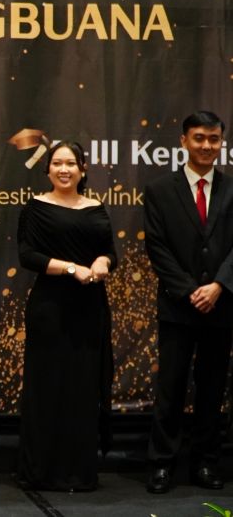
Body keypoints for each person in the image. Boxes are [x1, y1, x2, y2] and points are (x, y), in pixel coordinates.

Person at [16, 141, 116, 491]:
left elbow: (109, 252)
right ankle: (41, 472)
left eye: (71, 163)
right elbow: (27, 255)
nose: (64, 169)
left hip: (90, 308)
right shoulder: (36, 207)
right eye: (57, 163)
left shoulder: (96, 207)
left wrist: (102, 262)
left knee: (83, 389)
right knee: (48, 387)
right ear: (47, 170)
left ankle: (80, 472)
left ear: (82, 169)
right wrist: (72, 268)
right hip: (50, 309)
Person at [144, 111, 233, 494]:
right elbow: (156, 247)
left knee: (212, 390)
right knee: (171, 388)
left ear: (221, 143)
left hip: (222, 305)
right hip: (178, 307)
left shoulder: (232, 189)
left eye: (214, 139)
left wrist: (219, 286)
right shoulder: (160, 190)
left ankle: (206, 462)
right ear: (183, 141)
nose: (206, 146)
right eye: (199, 138)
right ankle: (162, 463)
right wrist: (188, 290)